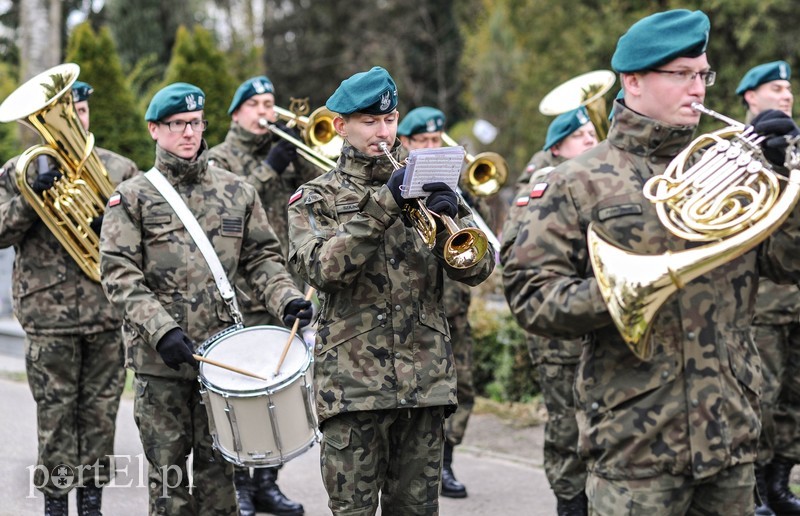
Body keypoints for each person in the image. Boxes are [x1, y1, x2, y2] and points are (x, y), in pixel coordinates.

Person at [502, 9, 800, 515]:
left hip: (731, 435)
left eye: (703, 74)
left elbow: (786, 265)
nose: (698, 89)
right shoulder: (576, 181)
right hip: (633, 446)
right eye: (681, 74)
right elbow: (531, 296)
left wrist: (785, 175)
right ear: (633, 81)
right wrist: (618, 293)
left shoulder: (735, 164)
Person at [287, 66, 495, 514]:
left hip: (425, 384)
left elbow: (479, 268)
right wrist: (385, 205)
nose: (383, 132)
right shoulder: (315, 197)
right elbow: (323, 270)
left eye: (389, 119)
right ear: (341, 126)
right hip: (352, 389)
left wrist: (450, 223)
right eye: (369, 122)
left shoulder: (428, 181)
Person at [99, 82, 313, 515]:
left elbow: (262, 261)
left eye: (195, 123)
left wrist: (286, 298)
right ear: (154, 130)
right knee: (169, 486)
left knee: (221, 487)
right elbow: (119, 275)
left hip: (224, 363)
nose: (188, 133)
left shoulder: (237, 191)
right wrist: (162, 332)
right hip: (161, 364)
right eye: (177, 124)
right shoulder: (133, 197)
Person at [0, 79, 137, 515]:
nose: (74, 121)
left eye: (79, 112)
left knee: (100, 417)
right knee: (55, 419)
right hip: (48, 318)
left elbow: (146, 239)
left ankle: (92, 505)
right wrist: (30, 197)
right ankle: (56, 505)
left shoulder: (121, 170)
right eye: (66, 112)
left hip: (105, 313)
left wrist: (109, 229)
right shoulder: (16, 171)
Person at [208, 75, 317, 516]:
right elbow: (222, 209)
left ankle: (268, 483)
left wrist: (300, 150)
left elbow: (323, 186)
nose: (265, 112)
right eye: (254, 105)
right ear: (236, 114)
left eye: (270, 103)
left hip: (281, 289)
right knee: (242, 395)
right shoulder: (218, 156)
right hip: (236, 291)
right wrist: (270, 164)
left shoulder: (286, 151)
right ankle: (240, 488)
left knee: (282, 390)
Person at [500, 106, 598, 516]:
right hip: (559, 329)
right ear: (557, 149)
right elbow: (512, 250)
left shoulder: (604, 178)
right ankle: (570, 503)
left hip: (599, 321)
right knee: (567, 423)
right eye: (582, 136)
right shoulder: (542, 185)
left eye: (594, 133)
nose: (592, 141)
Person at [396, 105, 491, 499]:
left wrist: (465, 202)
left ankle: (447, 461)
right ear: (407, 143)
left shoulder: (451, 183)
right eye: (424, 141)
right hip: (417, 314)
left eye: (438, 140)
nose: (433, 146)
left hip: (456, 308)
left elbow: (479, 253)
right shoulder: (399, 183)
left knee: (463, 388)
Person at [737, 60, 800, 516]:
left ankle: (780, 483)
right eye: (776, 87)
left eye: (790, 89)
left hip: (796, 299)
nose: (786, 96)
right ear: (749, 97)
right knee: (763, 394)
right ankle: (757, 489)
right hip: (762, 301)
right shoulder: (735, 150)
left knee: (794, 398)